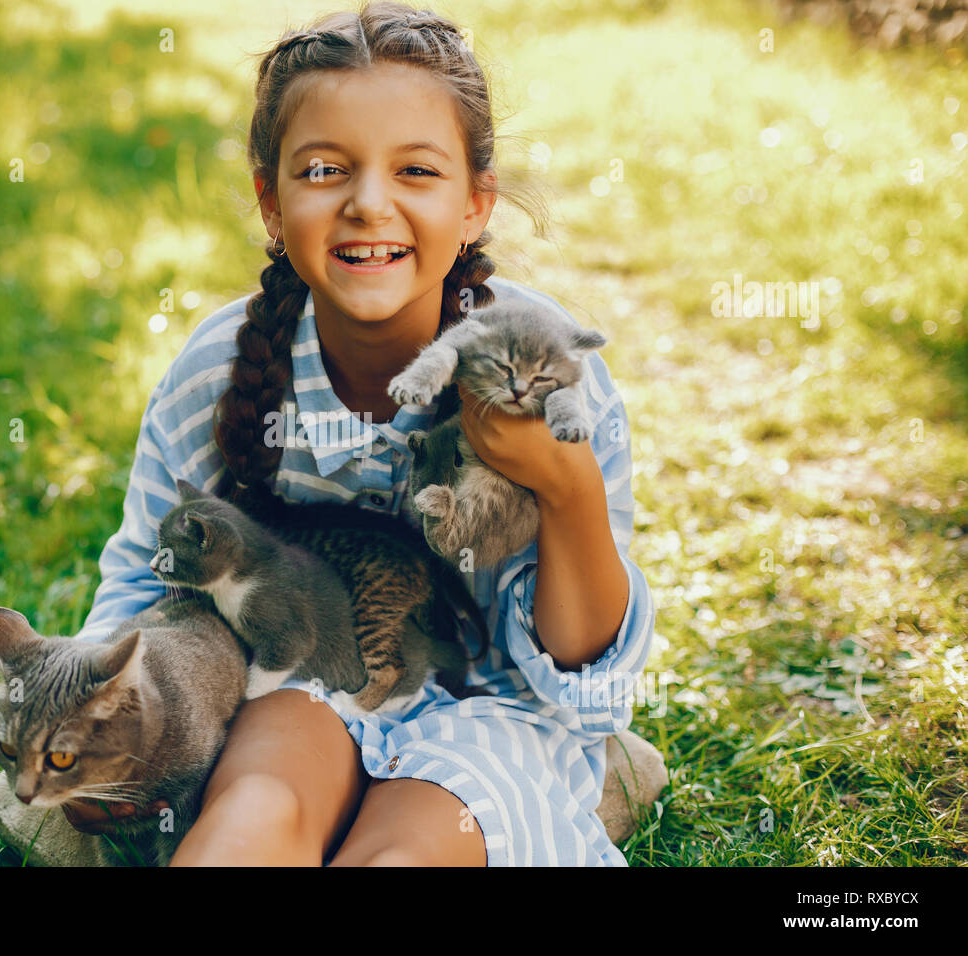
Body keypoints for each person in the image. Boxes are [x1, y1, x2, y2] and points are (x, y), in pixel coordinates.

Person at [71, 1, 657, 865]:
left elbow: (583, 669)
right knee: (252, 815)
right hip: (306, 680)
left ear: (474, 204)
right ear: (271, 202)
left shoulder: (546, 367)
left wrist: (563, 485)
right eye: (323, 171)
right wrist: (99, 722)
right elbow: (141, 573)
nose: (368, 204)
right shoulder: (216, 370)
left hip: (494, 709)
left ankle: (590, 787)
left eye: (416, 171)